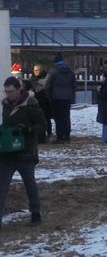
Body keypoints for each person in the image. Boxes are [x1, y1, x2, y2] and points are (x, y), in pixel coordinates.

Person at [0, 76, 46, 228]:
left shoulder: (31, 104)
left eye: (11, 91)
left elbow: (42, 125)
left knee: (30, 184)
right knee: (2, 186)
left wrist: (28, 130)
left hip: (26, 153)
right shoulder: (6, 104)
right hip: (7, 153)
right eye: (6, 92)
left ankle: (35, 214)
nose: (8, 95)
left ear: (19, 89)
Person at [45, 53, 76, 143]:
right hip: (67, 98)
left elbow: (48, 85)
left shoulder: (53, 71)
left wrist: (49, 95)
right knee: (66, 117)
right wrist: (71, 94)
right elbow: (74, 85)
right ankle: (67, 136)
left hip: (56, 98)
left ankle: (59, 137)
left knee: (58, 118)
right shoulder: (70, 71)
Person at [26, 63, 51, 143]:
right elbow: (27, 89)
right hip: (35, 102)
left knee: (46, 118)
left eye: (38, 70)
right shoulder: (32, 79)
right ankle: (39, 137)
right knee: (37, 119)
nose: (36, 72)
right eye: (35, 70)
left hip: (45, 101)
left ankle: (48, 134)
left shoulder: (47, 78)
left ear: (41, 70)